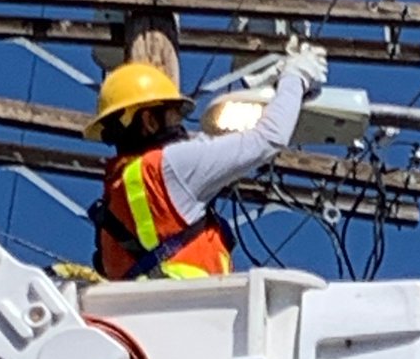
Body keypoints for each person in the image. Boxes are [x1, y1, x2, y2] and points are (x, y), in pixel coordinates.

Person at [83, 42, 328, 280]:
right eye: (174, 115)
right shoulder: (169, 166)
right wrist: (295, 78)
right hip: (194, 310)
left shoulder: (117, 198)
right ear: (149, 120)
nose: (180, 125)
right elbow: (269, 139)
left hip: (151, 316)